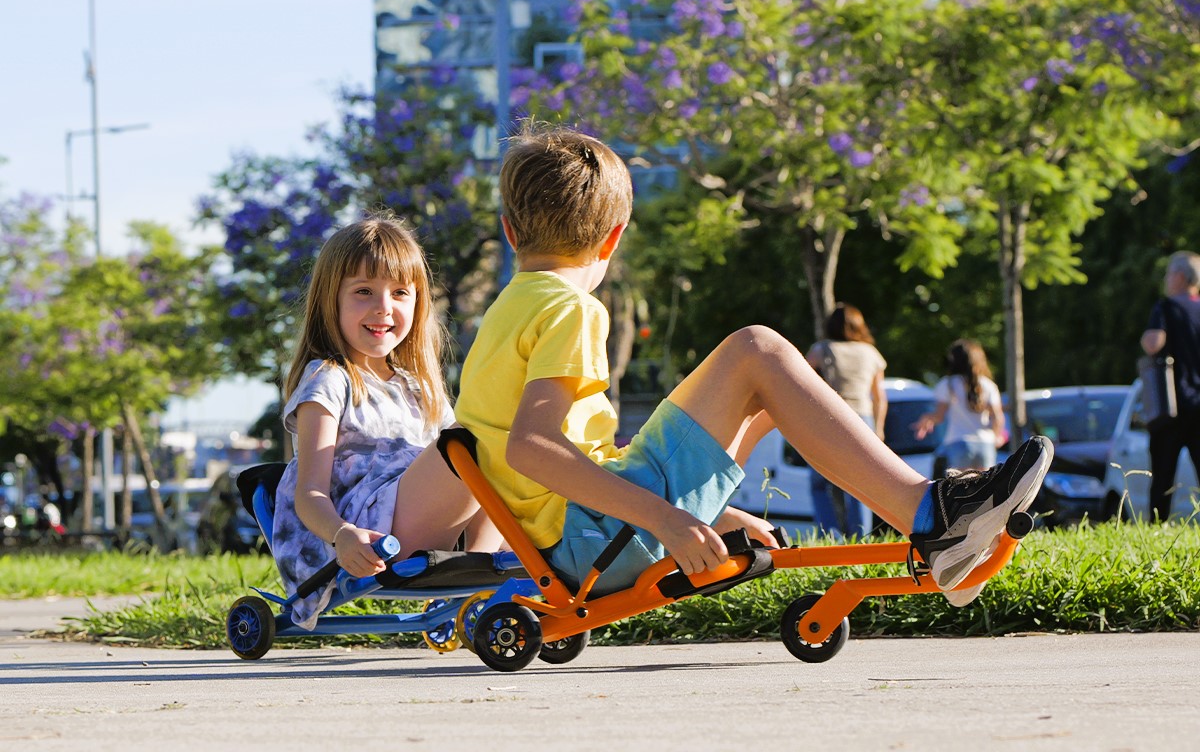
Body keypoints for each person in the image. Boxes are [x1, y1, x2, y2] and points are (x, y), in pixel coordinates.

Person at [454, 123, 1053, 610]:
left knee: (764, 395)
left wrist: (709, 508)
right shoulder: (571, 309)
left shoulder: (506, 311)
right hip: (593, 541)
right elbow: (532, 449)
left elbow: (541, 457)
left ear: (509, 232)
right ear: (613, 240)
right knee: (757, 350)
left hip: (580, 539)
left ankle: (950, 549)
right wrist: (665, 518)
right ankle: (931, 515)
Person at [272, 216, 499, 629]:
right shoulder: (329, 378)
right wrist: (342, 535)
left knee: (495, 440)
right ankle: (478, 588)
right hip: (374, 536)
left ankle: (478, 584)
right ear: (331, 301)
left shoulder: (417, 387)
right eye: (363, 292)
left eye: (399, 293)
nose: (383, 308)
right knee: (473, 441)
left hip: (428, 525)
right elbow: (309, 494)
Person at [805, 304, 887, 538]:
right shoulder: (871, 353)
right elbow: (879, 396)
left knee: (820, 481)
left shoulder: (821, 349)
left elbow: (801, 380)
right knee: (861, 483)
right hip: (863, 418)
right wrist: (879, 429)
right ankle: (861, 537)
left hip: (832, 415)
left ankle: (829, 535)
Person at [1140, 251, 1200, 522]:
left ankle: (1156, 526)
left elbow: (1153, 344)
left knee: (1162, 476)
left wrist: (1146, 338)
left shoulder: (1166, 307)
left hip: (1172, 407)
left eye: (1168, 274)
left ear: (1179, 276)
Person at [914, 339, 1007, 475]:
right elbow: (998, 418)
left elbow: (939, 416)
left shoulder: (947, 384)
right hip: (985, 443)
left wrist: (926, 418)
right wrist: (996, 436)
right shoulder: (988, 385)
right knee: (984, 489)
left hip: (958, 442)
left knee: (961, 489)